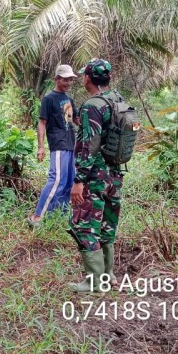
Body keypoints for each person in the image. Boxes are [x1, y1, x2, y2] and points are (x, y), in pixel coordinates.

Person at [68, 59, 124, 292]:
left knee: (87, 225)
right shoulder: (118, 100)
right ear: (109, 78)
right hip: (115, 173)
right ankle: (108, 275)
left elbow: (88, 146)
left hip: (95, 176)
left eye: (84, 76)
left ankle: (94, 282)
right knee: (107, 224)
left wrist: (79, 180)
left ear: (88, 78)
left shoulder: (92, 105)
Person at [27, 64, 78, 227]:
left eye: (70, 80)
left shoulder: (69, 99)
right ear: (56, 79)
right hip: (58, 144)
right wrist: (41, 146)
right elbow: (42, 123)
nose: (68, 83)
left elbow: (74, 120)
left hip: (71, 143)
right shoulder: (49, 99)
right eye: (64, 79)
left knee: (69, 182)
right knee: (56, 180)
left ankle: (59, 216)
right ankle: (37, 217)